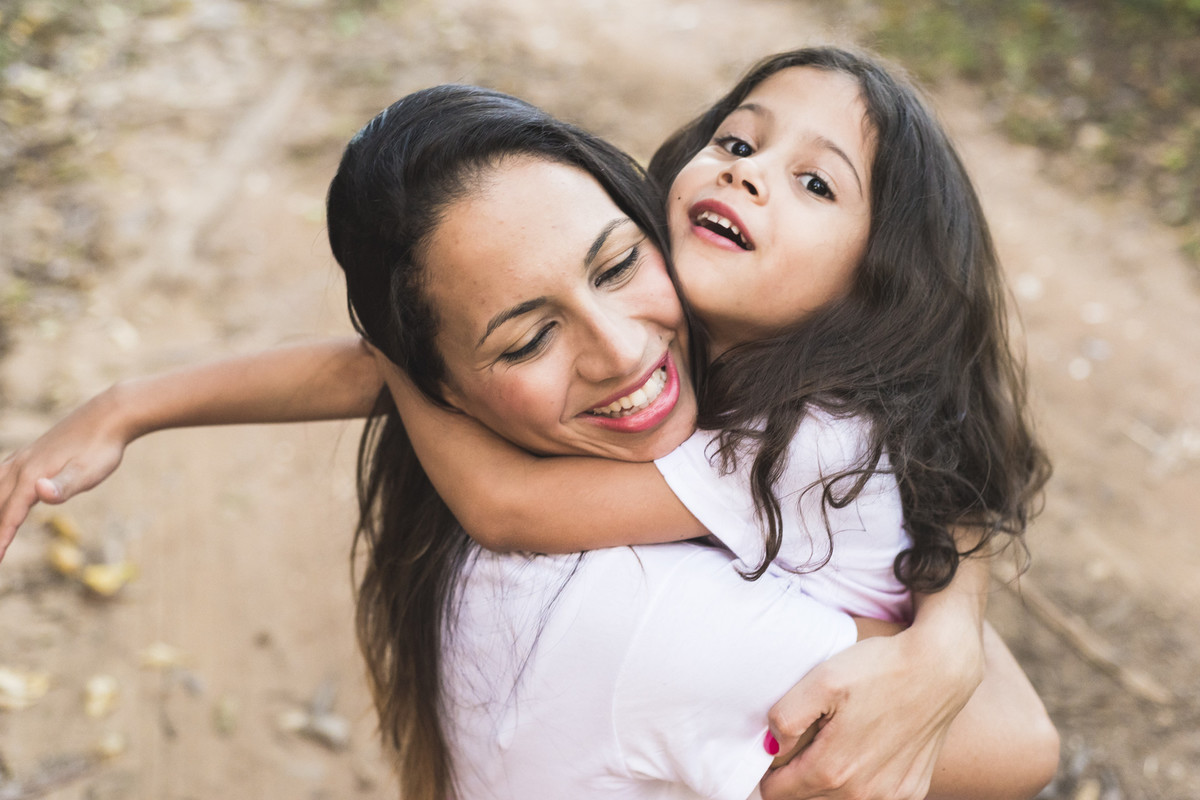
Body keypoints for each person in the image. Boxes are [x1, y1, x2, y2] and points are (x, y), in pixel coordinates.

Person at [0, 51, 1058, 799]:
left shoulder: (815, 435)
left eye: (816, 182)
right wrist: (132, 404)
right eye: (739, 138)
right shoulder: (700, 387)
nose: (749, 172)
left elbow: (504, 500)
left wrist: (945, 643)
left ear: (879, 284)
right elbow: (380, 373)